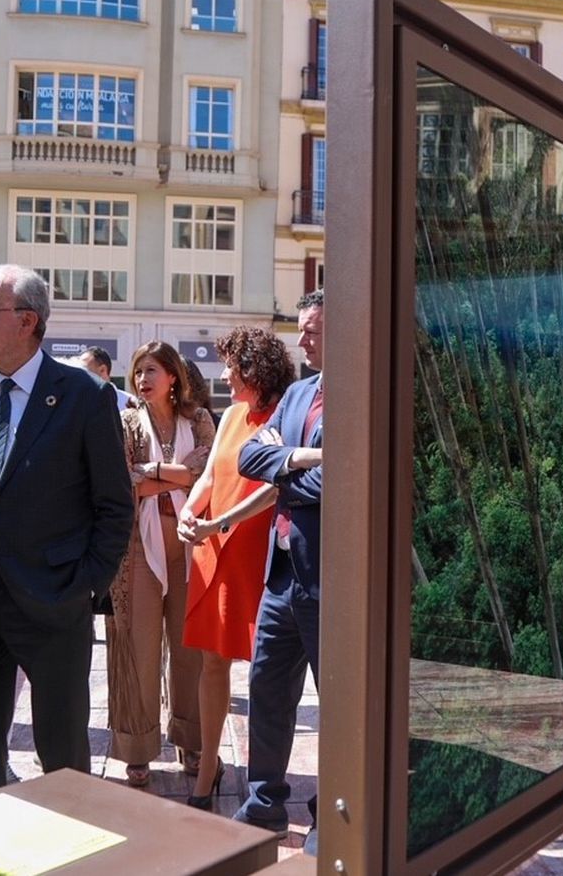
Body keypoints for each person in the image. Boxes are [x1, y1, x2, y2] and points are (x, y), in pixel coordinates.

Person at [0, 265, 132, 798]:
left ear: (27, 321)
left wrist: (85, 586)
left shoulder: (85, 395)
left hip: (55, 603)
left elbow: (114, 506)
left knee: (64, 761)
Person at [176, 326, 296, 809]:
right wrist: (190, 510)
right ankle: (208, 767)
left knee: (267, 672)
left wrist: (218, 522)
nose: (223, 374)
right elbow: (210, 475)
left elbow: (275, 486)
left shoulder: (286, 413)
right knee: (212, 662)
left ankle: (265, 781)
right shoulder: (229, 416)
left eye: (231, 366)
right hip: (214, 547)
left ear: (253, 369)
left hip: (260, 553)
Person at [232, 290, 325, 854]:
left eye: (313, 328)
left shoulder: (364, 393)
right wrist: (302, 458)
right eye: (302, 327)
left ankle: (331, 815)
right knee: (266, 691)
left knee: (336, 704)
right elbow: (250, 456)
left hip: (331, 581)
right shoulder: (297, 393)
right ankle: (263, 804)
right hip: (282, 575)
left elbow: (344, 478)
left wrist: (283, 470)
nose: (302, 338)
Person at [106, 342, 213, 786]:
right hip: (137, 547)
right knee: (138, 647)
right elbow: (121, 481)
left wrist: (150, 471)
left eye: (150, 370)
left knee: (191, 650)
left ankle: (192, 741)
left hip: (192, 546)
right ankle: (137, 750)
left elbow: (208, 475)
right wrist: (178, 474)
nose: (141, 380)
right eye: (137, 372)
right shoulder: (126, 422)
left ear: (173, 376)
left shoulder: (199, 419)